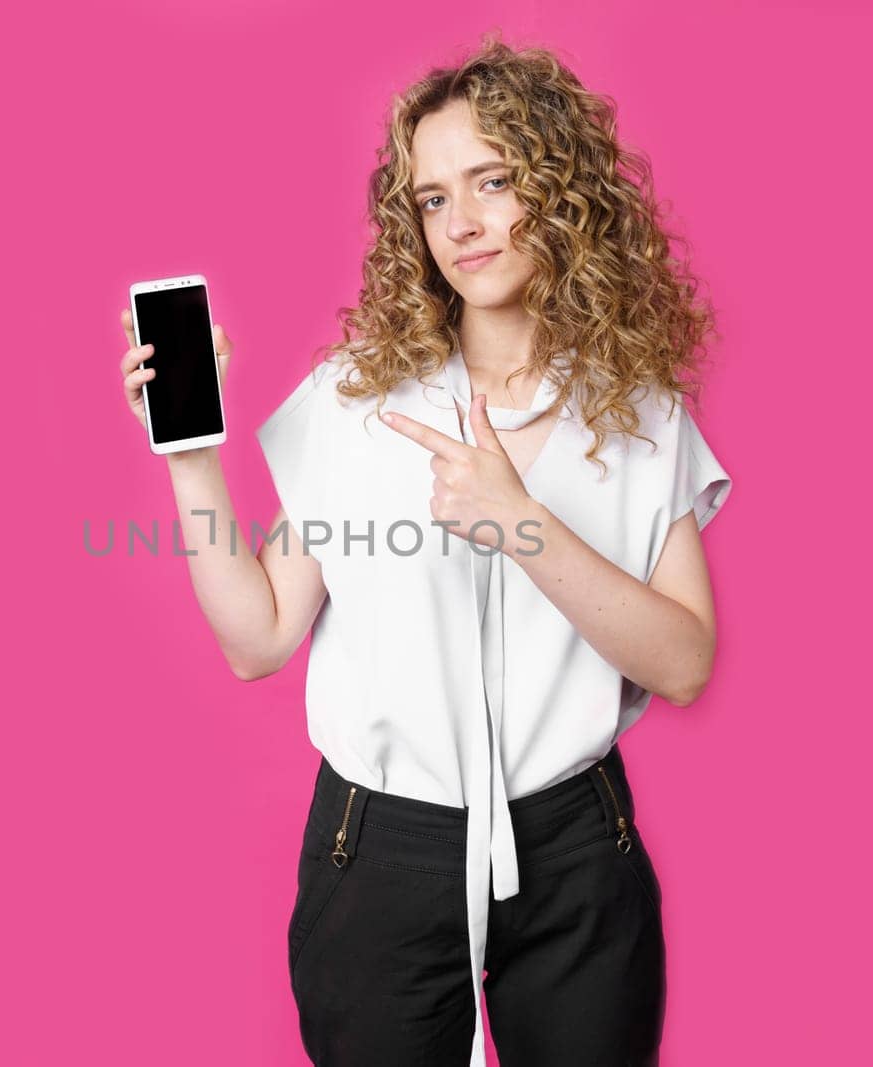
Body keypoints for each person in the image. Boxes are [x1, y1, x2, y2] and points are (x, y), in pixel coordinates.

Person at [116, 31, 732, 1067]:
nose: (462, 222)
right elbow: (258, 636)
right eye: (433, 197)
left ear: (562, 191)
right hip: (380, 847)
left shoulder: (638, 412)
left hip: (575, 847)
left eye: (492, 180)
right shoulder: (356, 398)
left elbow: (683, 661)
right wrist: (190, 465)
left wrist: (519, 522)